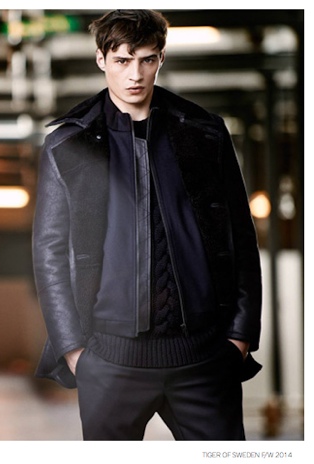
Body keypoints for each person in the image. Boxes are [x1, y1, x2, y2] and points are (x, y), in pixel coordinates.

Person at [32, 9, 262, 440]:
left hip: (204, 359)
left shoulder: (205, 134)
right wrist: (74, 351)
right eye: (122, 60)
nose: (135, 74)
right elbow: (49, 253)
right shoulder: (68, 145)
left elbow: (241, 238)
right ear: (101, 59)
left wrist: (240, 336)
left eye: (147, 59)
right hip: (109, 362)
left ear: (161, 59)